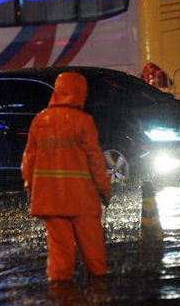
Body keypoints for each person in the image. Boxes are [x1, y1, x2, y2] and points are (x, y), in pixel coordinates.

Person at [22, 71, 112, 282]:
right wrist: (105, 190)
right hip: (83, 200)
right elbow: (96, 161)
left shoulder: (40, 121)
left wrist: (30, 187)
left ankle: (62, 298)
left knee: (60, 260)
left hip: (51, 201)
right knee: (94, 256)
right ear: (80, 92)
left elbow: (29, 160)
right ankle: (100, 297)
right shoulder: (84, 122)